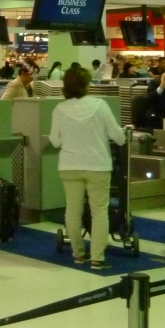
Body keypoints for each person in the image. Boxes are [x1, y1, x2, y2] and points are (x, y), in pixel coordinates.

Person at [49, 67, 125, 268]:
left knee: (73, 211)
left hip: (69, 165)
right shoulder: (100, 106)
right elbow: (118, 137)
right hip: (97, 165)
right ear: (86, 85)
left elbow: (55, 141)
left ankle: (78, 254)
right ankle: (97, 258)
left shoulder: (60, 109)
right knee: (99, 211)